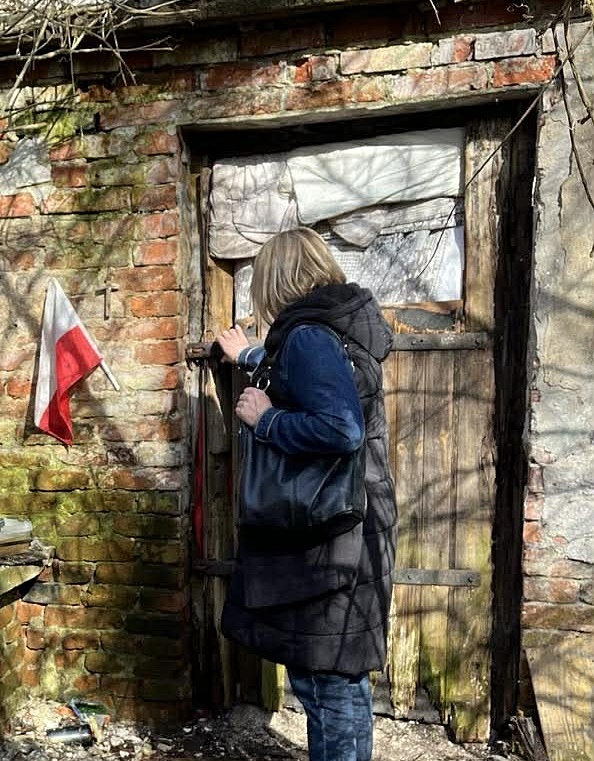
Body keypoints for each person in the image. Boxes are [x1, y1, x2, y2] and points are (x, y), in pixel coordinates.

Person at [215, 227, 396, 761]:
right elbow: (310, 380)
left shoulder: (309, 336)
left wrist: (267, 421)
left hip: (329, 538)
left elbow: (341, 428)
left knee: (326, 683)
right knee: (338, 679)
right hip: (349, 527)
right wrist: (248, 354)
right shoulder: (335, 330)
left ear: (275, 280)